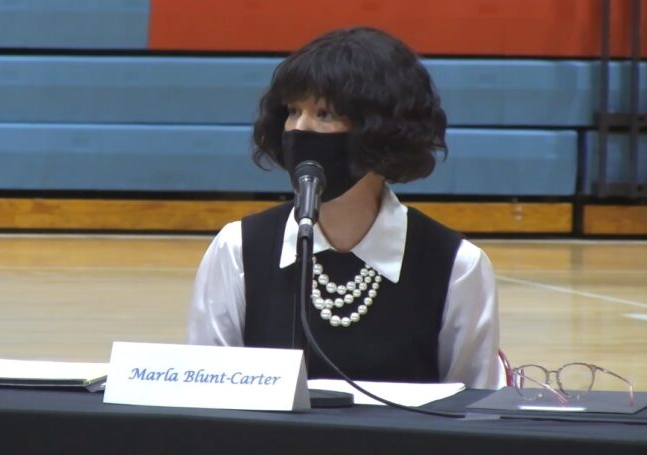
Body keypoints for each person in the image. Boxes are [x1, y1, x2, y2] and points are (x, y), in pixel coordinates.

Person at [188, 27, 501, 389]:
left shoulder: (458, 266)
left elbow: (474, 411)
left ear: (380, 130)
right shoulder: (237, 249)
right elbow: (206, 395)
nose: (299, 129)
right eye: (292, 111)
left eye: (323, 113)